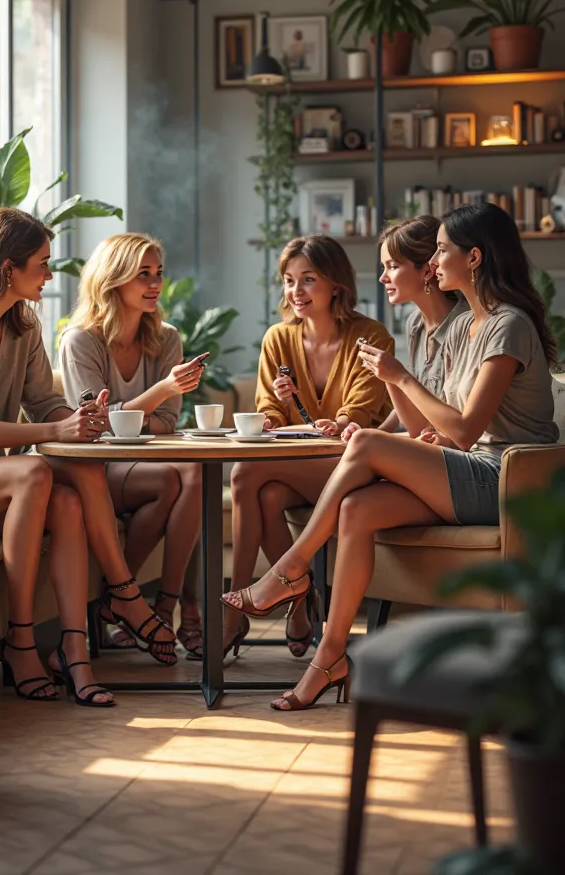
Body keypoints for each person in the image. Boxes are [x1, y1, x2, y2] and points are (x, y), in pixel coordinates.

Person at [223, 203, 558, 710]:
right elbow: (442, 425)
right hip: (471, 473)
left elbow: (466, 430)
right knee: (357, 509)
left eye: (442, 251)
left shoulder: (506, 326)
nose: (434, 261)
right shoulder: (468, 327)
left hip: (506, 483)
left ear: (474, 258)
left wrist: (398, 378)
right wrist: (401, 404)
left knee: (363, 444)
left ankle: (292, 569)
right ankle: (329, 658)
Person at [0, 208, 176, 705]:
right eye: (41, 264)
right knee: (34, 472)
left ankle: (76, 653)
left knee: (67, 496)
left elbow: (46, 402)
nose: (48, 274)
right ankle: (23, 640)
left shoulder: (22, 324)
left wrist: (81, 418)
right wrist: (54, 427)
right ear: (7, 269)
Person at [225, 234, 394, 659]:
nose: (295, 292)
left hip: (354, 467)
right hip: (297, 468)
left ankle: (234, 607)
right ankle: (297, 602)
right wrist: (276, 409)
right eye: (288, 281)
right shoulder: (278, 339)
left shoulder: (370, 336)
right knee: (265, 493)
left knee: (245, 473)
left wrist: (336, 422)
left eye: (308, 279)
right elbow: (267, 414)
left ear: (336, 283)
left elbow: (360, 410)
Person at [59, 233, 204, 660]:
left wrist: (133, 413)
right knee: (178, 479)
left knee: (192, 475)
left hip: (141, 467)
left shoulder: (167, 339)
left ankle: (162, 605)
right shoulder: (80, 341)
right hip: (91, 469)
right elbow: (96, 429)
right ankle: (132, 601)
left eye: (158, 272)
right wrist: (159, 390)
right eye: (143, 274)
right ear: (113, 278)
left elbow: (167, 421)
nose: (155, 283)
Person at [345, 214, 468, 439]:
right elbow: (416, 415)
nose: (383, 278)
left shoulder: (466, 324)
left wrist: (396, 376)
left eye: (392, 266)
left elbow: (434, 429)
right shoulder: (414, 324)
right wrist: (374, 432)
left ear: (428, 270)